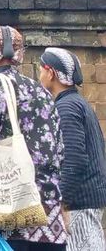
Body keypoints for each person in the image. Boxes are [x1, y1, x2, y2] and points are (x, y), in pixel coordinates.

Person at [0, 25, 67, 250]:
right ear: (20, 55)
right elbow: (59, 152)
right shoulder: (41, 92)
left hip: (11, 211)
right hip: (48, 215)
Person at [40, 48, 106, 251]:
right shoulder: (78, 103)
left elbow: (73, 159)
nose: (40, 76)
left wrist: (63, 201)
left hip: (79, 201)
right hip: (89, 196)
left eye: (41, 70)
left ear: (50, 72)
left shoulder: (66, 108)